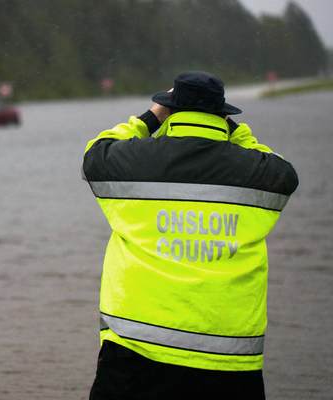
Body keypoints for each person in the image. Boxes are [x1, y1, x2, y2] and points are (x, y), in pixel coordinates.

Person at [82, 71, 299, 399]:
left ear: (170, 109)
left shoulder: (134, 162)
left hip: (135, 356)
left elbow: (95, 154)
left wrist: (150, 118)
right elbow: (285, 173)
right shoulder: (257, 173)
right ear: (223, 114)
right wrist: (235, 132)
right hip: (228, 365)